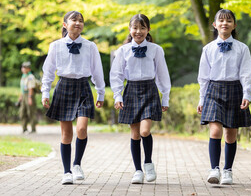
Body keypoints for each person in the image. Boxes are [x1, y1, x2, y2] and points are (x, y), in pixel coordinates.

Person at [41, 11, 105, 185]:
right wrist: (45, 92)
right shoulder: (56, 46)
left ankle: (77, 164)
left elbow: (97, 70)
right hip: (64, 87)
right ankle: (66, 171)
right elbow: (48, 71)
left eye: (81, 20)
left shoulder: (90, 46)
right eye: (74, 20)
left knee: (82, 129)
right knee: (66, 134)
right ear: (64, 25)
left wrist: (100, 92)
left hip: (83, 87)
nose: (78, 23)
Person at [110, 14, 171, 184]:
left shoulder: (156, 49)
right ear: (130, 29)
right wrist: (117, 95)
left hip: (149, 90)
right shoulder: (122, 51)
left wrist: (165, 97)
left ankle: (148, 163)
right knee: (135, 133)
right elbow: (117, 75)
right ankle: (137, 170)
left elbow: (162, 74)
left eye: (142, 28)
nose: (138, 31)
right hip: (131, 90)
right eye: (135, 28)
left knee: (145, 131)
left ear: (148, 30)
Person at [197, 9, 251, 185]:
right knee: (215, 131)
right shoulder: (208, 49)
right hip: (213, 90)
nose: (224, 23)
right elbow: (203, 77)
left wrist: (247, 94)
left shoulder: (242, 48)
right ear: (215, 25)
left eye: (229, 21)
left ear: (234, 25)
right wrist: (201, 98)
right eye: (221, 20)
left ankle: (227, 170)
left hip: (234, 89)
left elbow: (246, 74)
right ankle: (214, 169)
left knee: (231, 135)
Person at [18, 61, 37, 134]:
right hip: (24, 95)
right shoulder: (23, 76)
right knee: (22, 112)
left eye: (25, 68)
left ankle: (33, 129)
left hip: (29, 95)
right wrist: (20, 96)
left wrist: (30, 98)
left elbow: (31, 88)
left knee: (31, 112)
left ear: (29, 69)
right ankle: (24, 128)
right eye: (22, 67)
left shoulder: (30, 77)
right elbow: (22, 88)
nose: (23, 69)